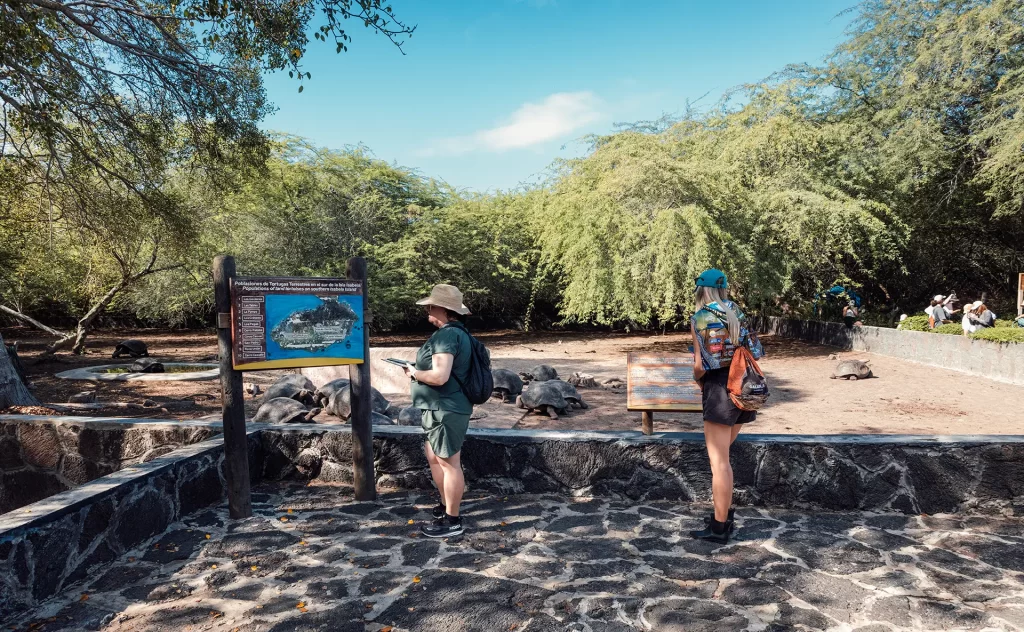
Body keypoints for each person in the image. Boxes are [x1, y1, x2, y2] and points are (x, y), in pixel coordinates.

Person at [688, 269, 764, 544]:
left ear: (702, 290)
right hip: (743, 389)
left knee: (719, 463)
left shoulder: (700, 318)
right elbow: (755, 351)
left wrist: (697, 379)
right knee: (724, 459)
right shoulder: (738, 314)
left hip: (719, 391)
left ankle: (719, 527)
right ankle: (724, 516)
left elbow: (699, 366)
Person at [403, 284, 473, 538]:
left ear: (442, 309)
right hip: (441, 407)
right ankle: (446, 507)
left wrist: (413, 372)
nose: (427, 311)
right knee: (435, 456)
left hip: (446, 408)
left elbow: (440, 376)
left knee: (449, 462)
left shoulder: (446, 336)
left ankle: (453, 521)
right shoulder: (458, 333)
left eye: (430, 306)